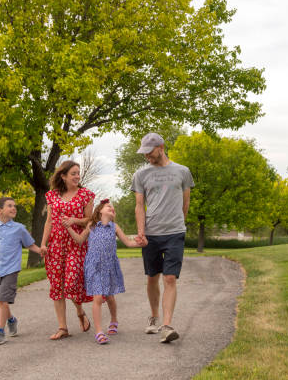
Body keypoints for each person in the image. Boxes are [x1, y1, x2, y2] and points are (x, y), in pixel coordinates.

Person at [132, 132, 194, 343]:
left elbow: (186, 203)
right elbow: (139, 205)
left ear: (161, 147)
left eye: (150, 152)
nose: (147, 157)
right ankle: (154, 317)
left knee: (169, 277)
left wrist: (180, 224)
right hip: (151, 233)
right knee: (152, 277)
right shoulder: (141, 175)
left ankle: (167, 326)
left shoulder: (183, 172)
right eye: (145, 154)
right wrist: (141, 231)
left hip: (175, 232)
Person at [64, 198, 147, 344]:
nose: (112, 209)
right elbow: (79, 240)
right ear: (100, 210)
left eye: (113, 208)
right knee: (97, 298)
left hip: (109, 266)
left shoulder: (114, 227)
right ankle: (98, 332)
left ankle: (114, 320)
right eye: (109, 207)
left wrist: (141, 244)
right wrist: (69, 227)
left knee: (109, 297)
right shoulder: (91, 225)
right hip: (94, 266)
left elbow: (128, 242)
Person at [40, 160, 95, 340]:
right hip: (56, 244)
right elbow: (49, 221)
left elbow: (90, 220)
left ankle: (79, 311)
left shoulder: (85, 195)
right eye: (73, 173)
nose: (77, 176)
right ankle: (63, 327)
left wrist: (74, 220)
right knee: (57, 285)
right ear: (63, 176)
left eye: (78, 173)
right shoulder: (52, 196)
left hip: (76, 243)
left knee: (71, 282)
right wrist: (43, 244)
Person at [0, 197, 44, 345]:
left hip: (11, 270)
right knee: (1, 302)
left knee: (2, 300)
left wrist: (41, 251)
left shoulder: (19, 228)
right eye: (9, 206)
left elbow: (30, 245)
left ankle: (0, 332)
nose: (14, 208)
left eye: (14, 206)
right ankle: (11, 320)